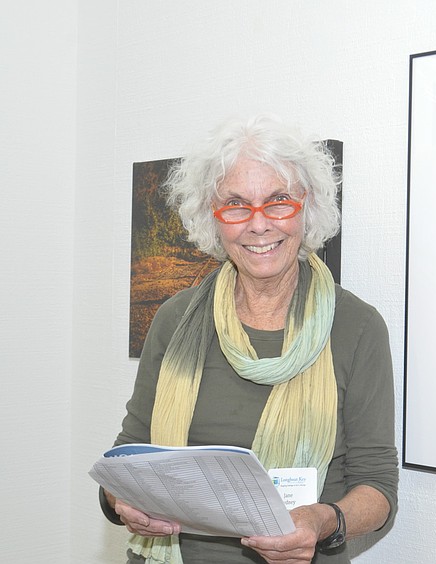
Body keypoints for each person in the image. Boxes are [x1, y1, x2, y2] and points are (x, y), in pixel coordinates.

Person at [99, 114, 398, 564]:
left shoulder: (357, 327)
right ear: (212, 218)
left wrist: (322, 521)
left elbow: (377, 487)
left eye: (278, 201)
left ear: (306, 207)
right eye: (236, 204)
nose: (258, 225)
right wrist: (120, 504)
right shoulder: (176, 319)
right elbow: (127, 455)